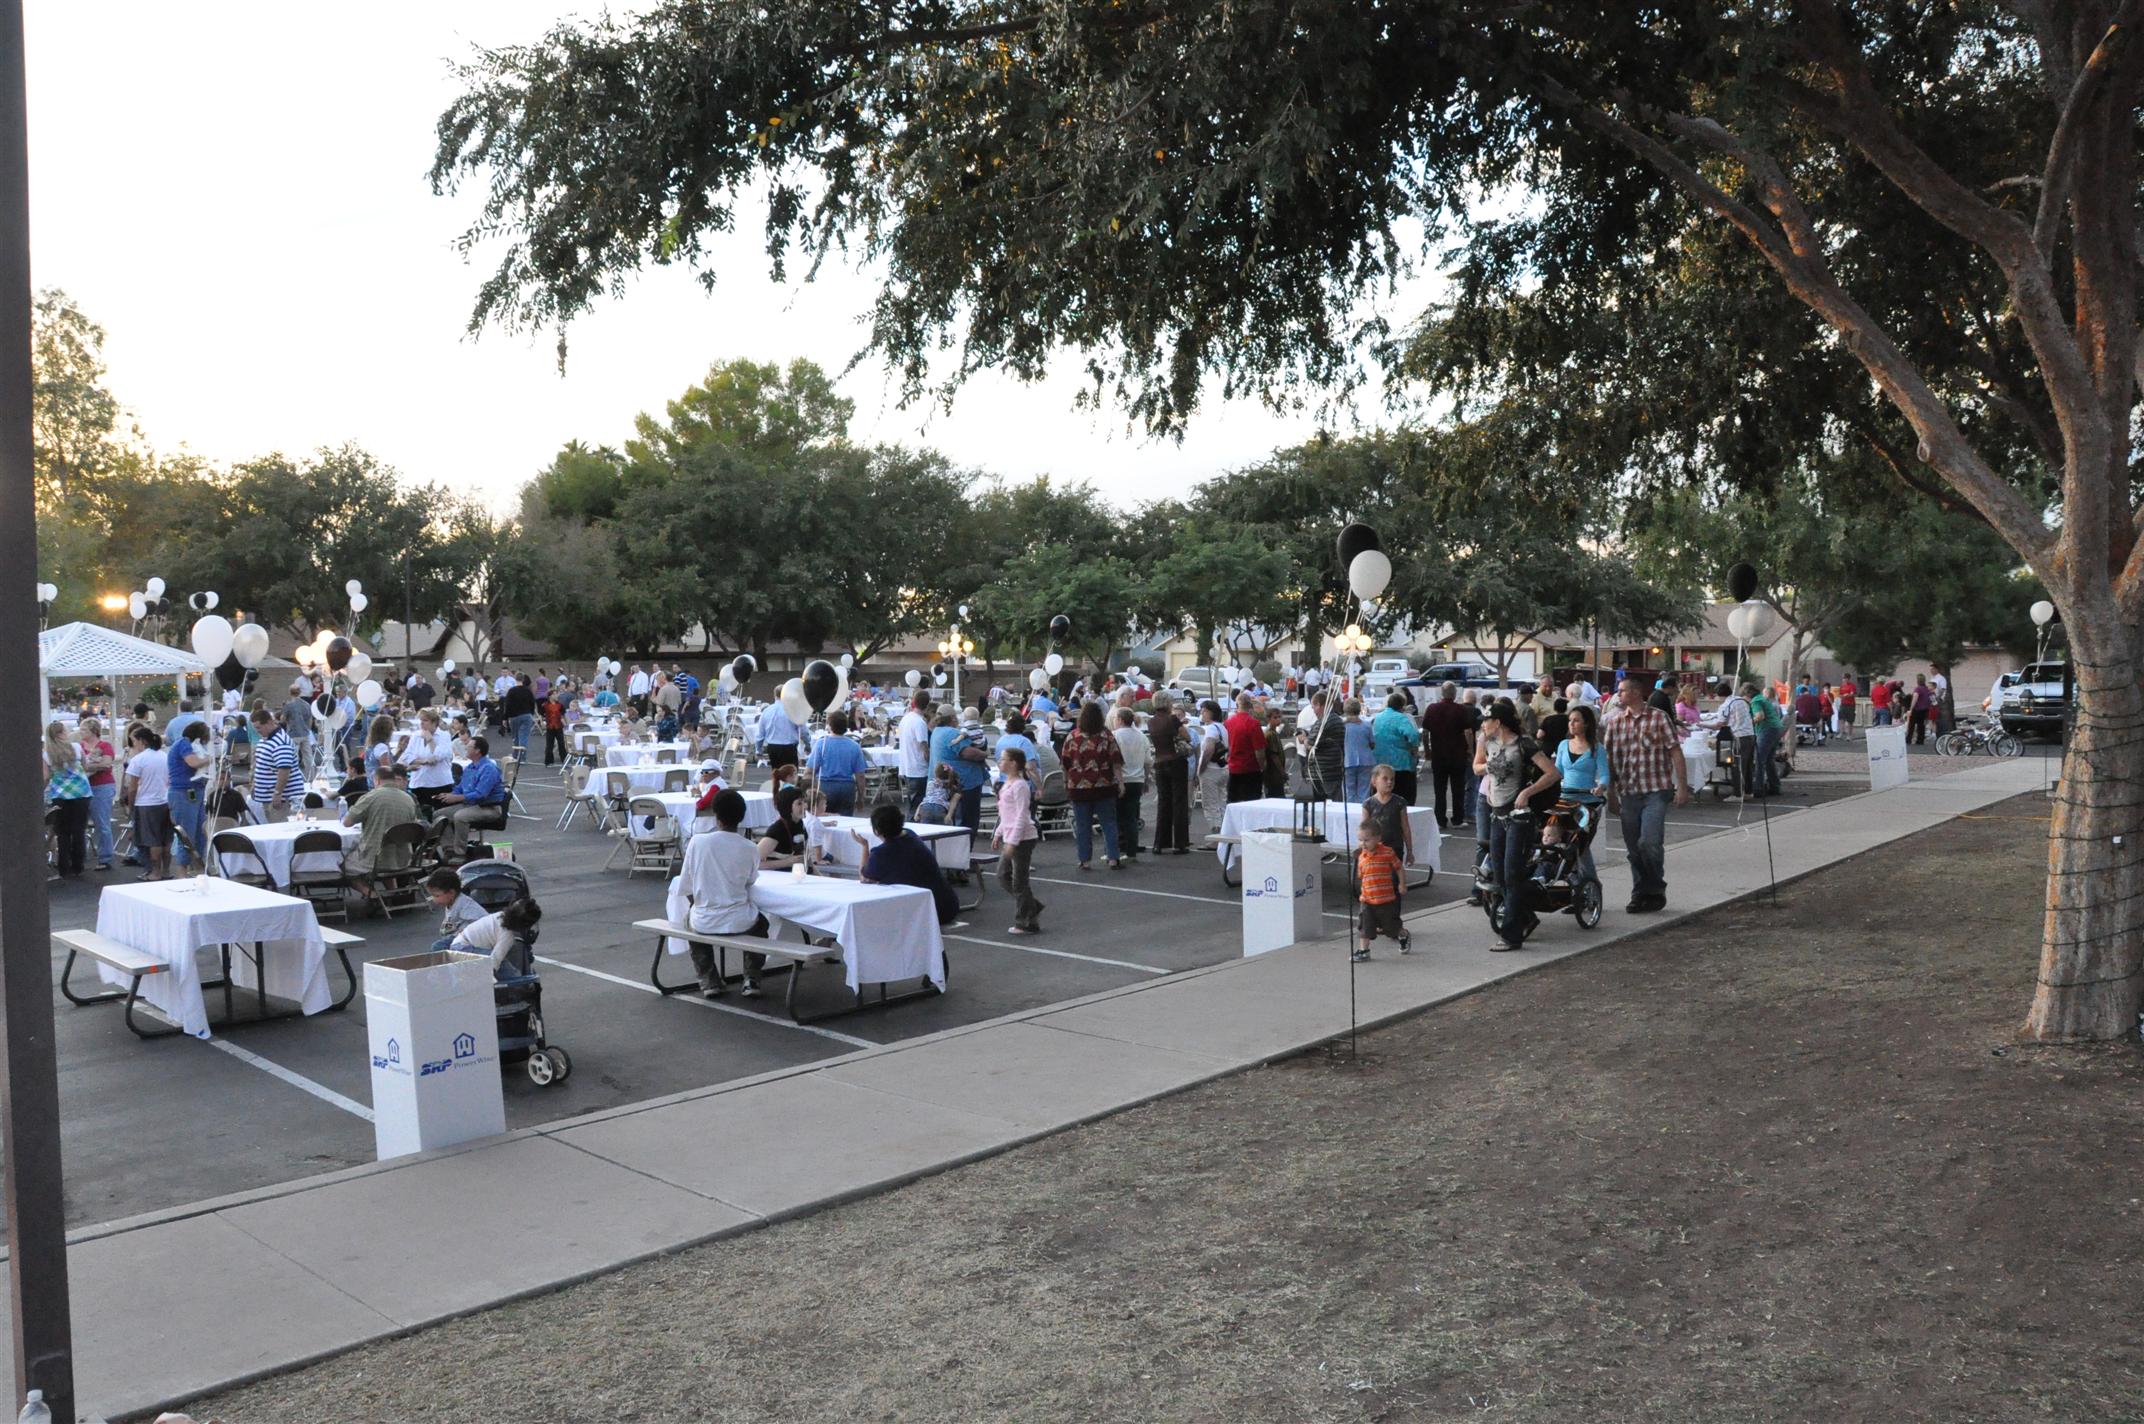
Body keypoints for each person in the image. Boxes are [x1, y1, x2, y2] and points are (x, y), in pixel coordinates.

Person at [1602, 675, 1692, 914]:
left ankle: (1654, 888)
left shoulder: (1659, 718)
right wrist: (1611, 793)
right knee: (1634, 848)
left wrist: (1682, 787)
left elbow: (1675, 752)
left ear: (1635, 693)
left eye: (1622, 691)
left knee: (1649, 842)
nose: (1618, 695)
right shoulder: (1615, 723)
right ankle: (1640, 892)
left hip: (1656, 789)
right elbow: (1609, 760)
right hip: (1628, 792)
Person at [1474, 700, 1560, 950]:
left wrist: (1527, 792)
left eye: (1487, 720)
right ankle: (1525, 917)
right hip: (1497, 815)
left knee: (1512, 873)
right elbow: (1477, 767)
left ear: (1498, 722)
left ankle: (1511, 935)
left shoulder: (1523, 744)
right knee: (1500, 875)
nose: (1483, 725)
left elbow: (1552, 773)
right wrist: (1487, 764)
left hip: (1519, 817)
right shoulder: (1487, 742)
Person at [680, 788, 769, 998]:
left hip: (704, 919)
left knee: (689, 922)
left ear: (715, 815)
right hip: (740, 919)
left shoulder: (697, 842)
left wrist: (698, 904)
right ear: (741, 817)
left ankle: (708, 980)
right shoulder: (750, 847)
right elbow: (750, 881)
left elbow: (686, 886)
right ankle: (752, 977)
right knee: (762, 924)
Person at [859, 802, 959, 924]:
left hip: (924, 912)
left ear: (876, 830)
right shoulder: (910, 834)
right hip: (947, 904)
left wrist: (864, 846)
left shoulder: (881, 853)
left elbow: (865, 878)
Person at [1061, 701, 1125, 871]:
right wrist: (1120, 782)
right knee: (1109, 823)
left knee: (1083, 825)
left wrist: (1066, 782)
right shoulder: (1106, 736)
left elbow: (1065, 763)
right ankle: (1113, 858)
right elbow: (1116, 762)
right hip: (1104, 786)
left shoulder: (1072, 737)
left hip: (1079, 788)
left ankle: (1085, 860)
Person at [342, 763, 419, 903]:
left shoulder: (371, 797)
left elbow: (347, 822)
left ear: (376, 780)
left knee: (345, 866)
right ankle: (393, 893)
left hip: (375, 859)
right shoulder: (408, 799)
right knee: (386, 852)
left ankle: (371, 894)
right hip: (402, 857)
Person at [1553, 703, 1610, 891]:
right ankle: (1572, 882)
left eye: (1576, 720)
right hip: (1565, 799)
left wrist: (1601, 786)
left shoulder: (1596, 748)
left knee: (1579, 843)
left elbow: (1604, 774)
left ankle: (1591, 885)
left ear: (1586, 724)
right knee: (1558, 841)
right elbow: (1557, 771)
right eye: (1570, 720)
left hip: (1587, 801)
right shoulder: (1563, 745)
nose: (1571, 724)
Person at [993, 746, 1044, 934]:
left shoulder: (1020, 786)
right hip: (1010, 835)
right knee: (1003, 875)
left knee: (1019, 881)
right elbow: (1006, 814)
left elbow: (1022, 815)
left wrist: (1012, 842)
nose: (1000, 762)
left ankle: (1026, 921)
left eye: (1003, 759)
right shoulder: (1008, 783)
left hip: (1023, 838)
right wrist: (998, 833)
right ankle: (1031, 906)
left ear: (1013, 763)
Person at [435, 736, 508, 861]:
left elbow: (481, 794)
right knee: (439, 815)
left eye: (468, 747)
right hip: (471, 805)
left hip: (488, 807)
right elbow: (460, 788)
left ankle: (460, 853)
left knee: (460, 816)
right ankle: (449, 849)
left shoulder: (488, 769)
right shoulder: (470, 767)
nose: (465, 748)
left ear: (477, 751)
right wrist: (448, 795)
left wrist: (457, 798)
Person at [1421, 681, 1476, 829]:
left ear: (1441, 693)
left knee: (1439, 790)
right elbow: (1468, 732)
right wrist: (1470, 751)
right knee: (1458, 789)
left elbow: (1425, 732)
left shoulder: (1431, 708)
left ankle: (1440, 820)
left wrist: (1427, 750)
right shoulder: (1460, 709)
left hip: (1438, 754)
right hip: (1458, 755)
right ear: (1455, 694)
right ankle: (1458, 819)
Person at [1353, 819, 1411, 960]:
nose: (1363, 844)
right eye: (1360, 840)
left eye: (1367, 840)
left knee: (1391, 928)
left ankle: (1403, 934)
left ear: (1378, 838)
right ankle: (1364, 950)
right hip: (1367, 899)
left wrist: (1402, 884)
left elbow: (1399, 868)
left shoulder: (1387, 853)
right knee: (1365, 925)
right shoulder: (1362, 856)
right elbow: (1361, 875)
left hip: (1385, 899)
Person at [121, 725, 170, 881]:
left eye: (134, 741)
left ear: (142, 741)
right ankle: (166, 870)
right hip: (164, 801)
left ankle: (154, 872)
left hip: (146, 803)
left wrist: (130, 806)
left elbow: (132, 787)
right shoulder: (164, 756)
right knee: (165, 839)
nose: (133, 745)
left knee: (151, 840)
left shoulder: (138, 760)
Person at [928, 710, 990, 832]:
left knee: (954, 820)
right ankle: (965, 843)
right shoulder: (952, 733)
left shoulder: (936, 731)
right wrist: (985, 754)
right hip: (964, 783)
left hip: (945, 781)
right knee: (966, 821)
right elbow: (970, 753)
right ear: (953, 718)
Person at [44, 723, 92, 878]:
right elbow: (85, 766)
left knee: (62, 832)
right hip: (81, 792)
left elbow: (46, 777)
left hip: (60, 795)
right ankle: (78, 865)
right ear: (62, 733)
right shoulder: (76, 748)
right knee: (79, 830)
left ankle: (64, 867)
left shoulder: (47, 754)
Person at [449, 896, 543, 973]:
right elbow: (494, 962)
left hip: (460, 945)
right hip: (465, 949)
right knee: (509, 971)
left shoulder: (499, 916)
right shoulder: (507, 936)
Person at [164, 716, 210, 871]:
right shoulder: (183, 744)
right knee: (186, 835)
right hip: (183, 793)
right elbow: (193, 762)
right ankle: (182, 871)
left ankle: (197, 868)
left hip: (195, 791)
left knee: (201, 832)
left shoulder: (188, 745)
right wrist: (209, 759)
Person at [805, 710, 869, 814]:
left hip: (825, 786)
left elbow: (809, 771)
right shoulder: (854, 746)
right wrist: (861, 797)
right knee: (845, 820)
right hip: (846, 788)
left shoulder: (821, 744)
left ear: (829, 726)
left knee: (824, 818)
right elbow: (860, 775)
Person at [76, 718, 117, 871]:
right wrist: (95, 765)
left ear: (93, 731)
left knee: (102, 823)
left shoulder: (105, 746)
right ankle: (79, 857)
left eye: (84, 730)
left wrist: (87, 766)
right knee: (79, 823)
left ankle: (105, 857)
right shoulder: (79, 747)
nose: (81, 732)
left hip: (101, 786)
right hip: (82, 788)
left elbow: (107, 764)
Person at [249, 707, 300, 824]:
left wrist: (278, 793)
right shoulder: (265, 739)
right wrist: (255, 785)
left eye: (259, 727)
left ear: (269, 723)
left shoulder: (281, 742)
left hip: (281, 798)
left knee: (280, 827)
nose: (257, 731)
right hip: (267, 796)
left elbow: (284, 770)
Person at [1708, 682, 1759, 798]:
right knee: (1748, 765)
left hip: (1739, 736)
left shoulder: (1726, 705)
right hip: (1750, 734)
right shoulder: (1741, 700)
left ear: (1719, 695)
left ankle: (1738, 795)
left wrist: (1701, 725)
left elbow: (1719, 724)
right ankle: (1748, 792)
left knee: (1737, 766)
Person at [1369, 693, 1422, 805]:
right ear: (1402, 706)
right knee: (1404, 797)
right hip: (1401, 763)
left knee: (1383, 797)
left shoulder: (1377, 717)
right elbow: (1413, 736)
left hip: (1381, 761)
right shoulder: (1401, 718)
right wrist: (1414, 747)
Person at [403, 708, 456, 816]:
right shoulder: (416, 735)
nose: (421, 723)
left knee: (441, 815)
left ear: (434, 722)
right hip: (419, 781)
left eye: (425, 720)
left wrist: (430, 739)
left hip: (439, 782)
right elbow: (407, 756)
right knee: (421, 815)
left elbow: (438, 756)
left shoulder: (444, 735)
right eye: (421, 720)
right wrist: (424, 761)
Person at [1112, 706, 1148, 860]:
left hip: (1120, 779)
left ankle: (1118, 848)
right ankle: (1131, 850)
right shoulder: (1142, 736)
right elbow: (1148, 761)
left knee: (1117, 816)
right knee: (1131, 817)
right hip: (1137, 779)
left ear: (1120, 720)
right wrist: (1146, 778)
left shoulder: (1114, 736)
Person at [1361, 763, 1414, 868]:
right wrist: (1365, 849)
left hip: (1395, 848)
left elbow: (1405, 828)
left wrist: (1409, 851)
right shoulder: (1368, 804)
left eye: (1392, 779)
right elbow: (1365, 829)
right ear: (1374, 781)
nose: (1389, 782)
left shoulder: (1400, 803)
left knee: (1394, 875)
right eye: (1385, 779)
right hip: (1375, 848)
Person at [425, 867, 488, 948]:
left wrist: (463, 933)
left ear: (451, 893)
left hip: (471, 939)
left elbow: (482, 921)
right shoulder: (451, 902)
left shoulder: (465, 905)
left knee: (438, 946)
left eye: (437, 896)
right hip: (461, 936)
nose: (434, 899)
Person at [1195, 699, 1232, 836]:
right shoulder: (1223, 728)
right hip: (1223, 769)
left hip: (1211, 770)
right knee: (1221, 802)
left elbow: (1209, 749)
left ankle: (1216, 835)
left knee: (1210, 804)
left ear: (1211, 713)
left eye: (1204, 711)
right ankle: (1225, 832)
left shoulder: (1211, 728)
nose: (1202, 714)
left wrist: (1201, 769)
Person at [1222, 693, 1267, 804]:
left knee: (1233, 803)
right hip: (1251, 768)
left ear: (1237, 705)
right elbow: (1259, 751)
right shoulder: (1253, 724)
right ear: (1250, 706)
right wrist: (1262, 767)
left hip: (1233, 768)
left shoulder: (1228, 723)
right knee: (1252, 803)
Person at [756, 784, 811, 868]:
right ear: (787, 807)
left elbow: (806, 858)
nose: (805, 806)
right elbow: (754, 863)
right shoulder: (777, 830)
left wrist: (818, 874)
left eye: (805, 802)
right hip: (779, 874)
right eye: (799, 803)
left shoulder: (800, 824)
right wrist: (787, 862)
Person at [897, 691, 934, 814]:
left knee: (913, 804)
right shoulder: (919, 722)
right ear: (927, 706)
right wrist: (931, 763)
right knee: (917, 807)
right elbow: (924, 748)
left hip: (907, 766)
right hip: (918, 769)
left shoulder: (906, 718)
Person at [1749, 681, 1785, 797]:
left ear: (1748, 694)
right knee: (1769, 759)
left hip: (1767, 729)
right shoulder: (1763, 699)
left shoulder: (1756, 701)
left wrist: (1748, 723)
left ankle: (1758, 789)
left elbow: (1760, 716)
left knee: (1759, 759)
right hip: (1776, 729)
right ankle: (1775, 786)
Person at [1340, 697, 1376, 806]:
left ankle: (1351, 811)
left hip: (1348, 760)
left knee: (1349, 790)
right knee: (1364, 790)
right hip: (1366, 760)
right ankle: (1363, 811)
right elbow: (1372, 744)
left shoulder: (1343, 726)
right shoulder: (1367, 725)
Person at [757, 696, 806, 772]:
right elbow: (803, 731)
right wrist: (807, 744)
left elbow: (760, 733)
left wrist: (758, 750)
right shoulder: (793, 710)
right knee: (791, 774)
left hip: (773, 747)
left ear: (775, 696)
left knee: (776, 773)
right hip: (789, 747)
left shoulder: (767, 711)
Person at [502, 673, 537, 758]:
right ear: (523, 679)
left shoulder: (511, 691)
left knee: (515, 736)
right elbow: (532, 703)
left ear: (515, 679)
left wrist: (505, 718)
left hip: (514, 716)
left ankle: (515, 754)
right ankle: (522, 757)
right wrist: (531, 713)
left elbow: (507, 705)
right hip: (526, 715)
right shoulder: (528, 691)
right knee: (524, 736)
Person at [539, 687, 568, 765]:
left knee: (561, 743)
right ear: (550, 696)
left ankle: (564, 759)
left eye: (556, 694)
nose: (556, 695)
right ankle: (549, 760)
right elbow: (541, 714)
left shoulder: (560, 705)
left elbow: (563, 715)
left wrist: (565, 723)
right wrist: (542, 722)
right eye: (554, 694)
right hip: (550, 726)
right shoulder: (545, 705)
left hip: (559, 726)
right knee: (549, 744)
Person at [1908, 673, 1934, 745]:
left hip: (1917, 709)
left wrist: (1911, 708)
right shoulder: (1927, 689)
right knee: (1921, 725)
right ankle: (1920, 740)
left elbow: (1915, 698)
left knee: (1911, 725)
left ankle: (1909, 739)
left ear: (1918, 681)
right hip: (1925, 710)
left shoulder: (1918, 689)